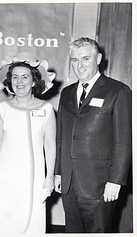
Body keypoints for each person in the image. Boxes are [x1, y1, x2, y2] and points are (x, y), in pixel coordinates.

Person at [54, 37, 132, 233]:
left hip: (99, 185)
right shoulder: (66, 93)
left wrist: (115, 181)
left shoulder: (118, 91)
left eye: (85, 59)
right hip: (69, 184)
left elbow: (124, 142)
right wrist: (58, 172)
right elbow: (61, 137)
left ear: (98, 59)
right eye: (74, 60)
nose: (79, 66)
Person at [0, 52, 56, 234]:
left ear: (34, 81)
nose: (19, 82)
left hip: (33, 177)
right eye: (15, 77)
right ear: (10, 81)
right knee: (3, 223)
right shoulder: (3, 109)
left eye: (25, 77)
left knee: (30, 224)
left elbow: (50, 146)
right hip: (5, 176)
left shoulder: (47, 109)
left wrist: (50, 177)